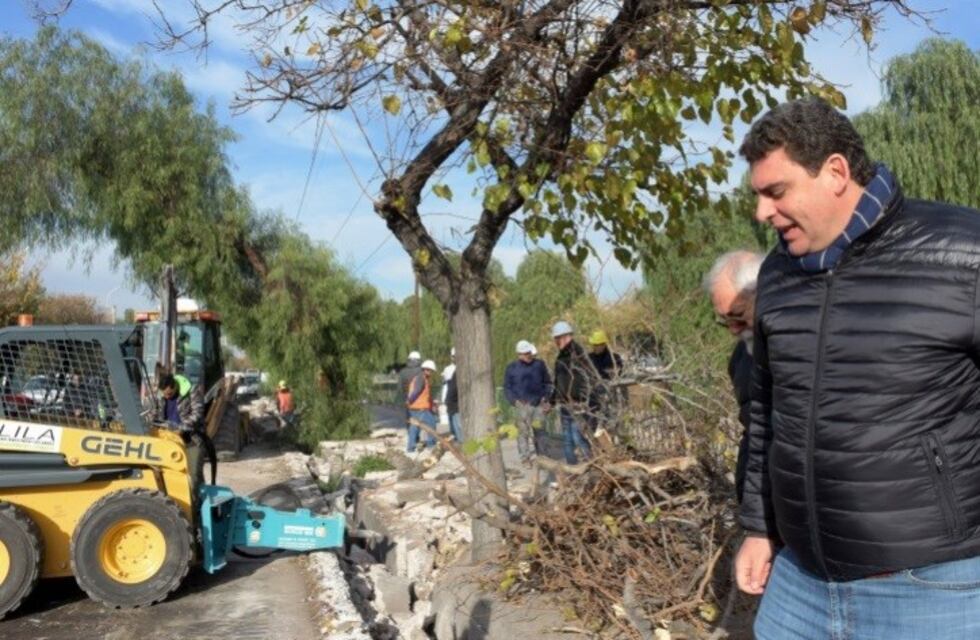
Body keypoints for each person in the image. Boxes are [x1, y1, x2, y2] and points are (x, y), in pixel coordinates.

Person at [735, 97, 980, 639]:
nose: (762, 213)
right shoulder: (777, 274)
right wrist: (758, 528)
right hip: (799, 583)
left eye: (776, 192)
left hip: (934, 587)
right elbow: (766, 414)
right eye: (757, 195)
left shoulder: (963, 251)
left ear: (836, 173)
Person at [703, 251, 764, 503]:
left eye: (738, 316)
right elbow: (754, 429)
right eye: (725, 320)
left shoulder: (798, 346)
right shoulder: (741, 356)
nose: (732, 330)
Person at [549, 321, 596, 464]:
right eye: (555, 339)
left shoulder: (578, 354)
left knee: (578, 438)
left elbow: (589, 379)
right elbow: (558, 382)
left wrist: (583, 400)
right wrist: (552, 402)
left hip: (578, 405)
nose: (556, 342)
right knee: (568, 441)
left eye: (557, 339)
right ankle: (572, 471)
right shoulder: (560, 358)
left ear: (565, 336)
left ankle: (592, 466)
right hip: (564, 406)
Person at [504, 340, 552, 464]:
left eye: (529, 352)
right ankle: (525, 458)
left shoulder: (539, 365)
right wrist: (514, 401)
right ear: (519, 354)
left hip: (538, 405)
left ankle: (543, 457)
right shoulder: (512, 368)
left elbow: (548, 383)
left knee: (540, 432)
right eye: (525, 353)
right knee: (522, 434)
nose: (528, 355)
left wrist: (546, 398)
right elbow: (507, 387)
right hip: (521, 405)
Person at [587, 329, 624, 425]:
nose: (594, 347)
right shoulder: (589, 358)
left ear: (603, 344)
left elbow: (618, 375)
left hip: (610, 397)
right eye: (593, 345)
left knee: (610, 423)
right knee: (594, 424)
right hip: (592, 398)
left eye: (597, 345)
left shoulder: (614, 358)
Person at [405, 359, 438, 453]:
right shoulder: (421, 379)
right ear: (426, 369)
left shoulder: (421, 378)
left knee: (414, 427)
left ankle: (410, 447)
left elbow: (424, 394)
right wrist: (409, 400)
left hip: (414, 407)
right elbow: (416, 391)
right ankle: (431, 444)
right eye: (430, 370)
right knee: (431, 424)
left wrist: (432, 403)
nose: (431, 373)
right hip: (421, 408)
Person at [398, 350, 422, 429]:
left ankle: (410, 432)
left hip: (407, 397)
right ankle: (416, 435)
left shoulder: (403, 372)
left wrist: (403, 397)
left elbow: (400, 387)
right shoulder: (421, 371)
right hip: (420, 398)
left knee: (409, 416)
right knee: (418, 417)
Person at [442, 348, 462, 442]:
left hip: (454, 399)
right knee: (451, 420)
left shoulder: (455, 369)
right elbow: (448, 386)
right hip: (451, 398)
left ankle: (459, 439)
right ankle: (455, 438)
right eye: (454, 356)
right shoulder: (448, 369)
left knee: (456, 421)